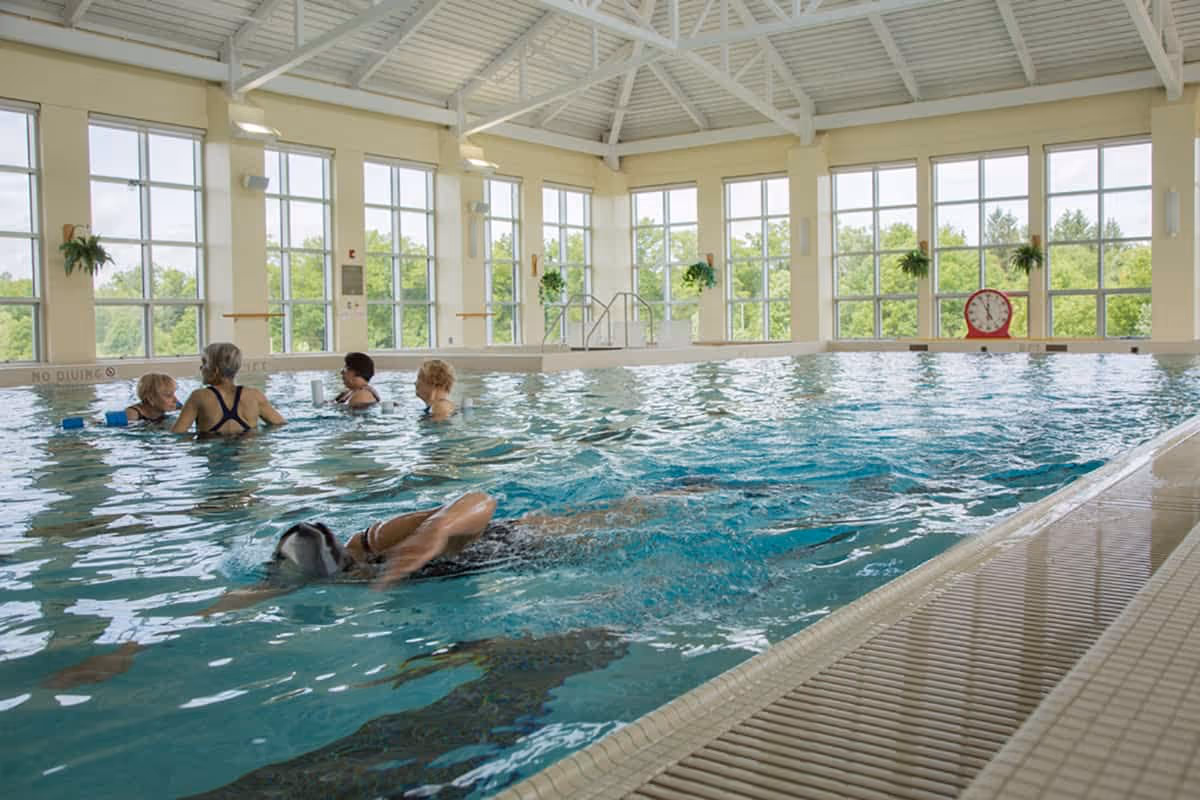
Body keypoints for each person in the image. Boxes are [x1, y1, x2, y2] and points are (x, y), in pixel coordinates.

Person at [172, 342, 287, 435]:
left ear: (215, 371)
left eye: (204, 363)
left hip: (213, 452)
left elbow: (177, 433)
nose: (201, 368)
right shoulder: (254, 396)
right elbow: (280, 424)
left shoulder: (199, 397)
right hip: (245, 453)